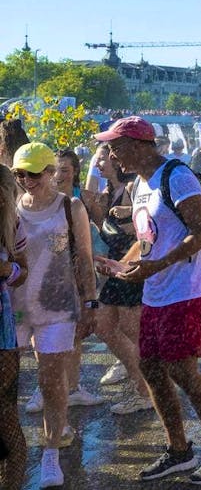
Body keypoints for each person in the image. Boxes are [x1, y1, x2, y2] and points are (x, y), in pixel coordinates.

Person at [93, 117, 201, 484]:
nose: (111, 154)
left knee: (182, 372)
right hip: (157, 290)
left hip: (188, 290)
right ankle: (179, 450)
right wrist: (121, 265)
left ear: (142, 145)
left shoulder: (177, 176)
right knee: (153, 369)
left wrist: (157, 264)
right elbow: (148, 240)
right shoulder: (140, 184)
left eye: (116, 146)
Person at [10, 143, 98, 488]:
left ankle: (50, 454)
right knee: (7, 382)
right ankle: (15, 448)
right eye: (20, 174)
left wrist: (91, 302)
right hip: (15, 309)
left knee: (50, 382)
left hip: (58, 307)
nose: (27, 180)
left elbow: (85, 258)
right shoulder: (11, 208)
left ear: (51, 172)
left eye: (34, 173)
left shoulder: (70, 207)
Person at [90, 143, 154, 414]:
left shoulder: (131, 189)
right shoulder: (110, 192)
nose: (99, 163)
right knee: (104, 325)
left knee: (132, 329)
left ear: (117, 162)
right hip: (114, 267)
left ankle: (146, 391)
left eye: (103, 158)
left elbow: (147, 227)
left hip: (129, 266)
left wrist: (129, 218)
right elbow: (89, 195)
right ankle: (137, 375)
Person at [0, 165, 26, 489]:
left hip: (2, 333)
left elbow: (25, 272)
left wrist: (9, 268)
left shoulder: (12, 225)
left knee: (6, 414)